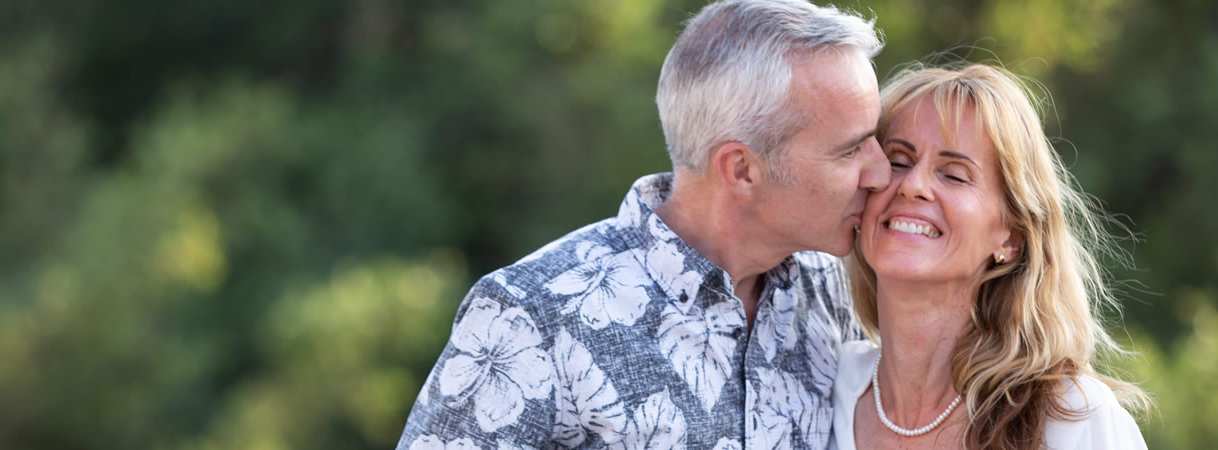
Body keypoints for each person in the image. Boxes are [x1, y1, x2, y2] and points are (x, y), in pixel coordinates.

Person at [399, 0, 890, 448]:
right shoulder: (529, 317)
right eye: (851, 150)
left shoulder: (836, 293)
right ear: (741, 169)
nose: (882, 172)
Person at [832, 63, 1150, 449]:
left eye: (954, 174)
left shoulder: (1074, 419)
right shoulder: (823, 388)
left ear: (1011, 237)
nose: (912, 185)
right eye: (898, 161)